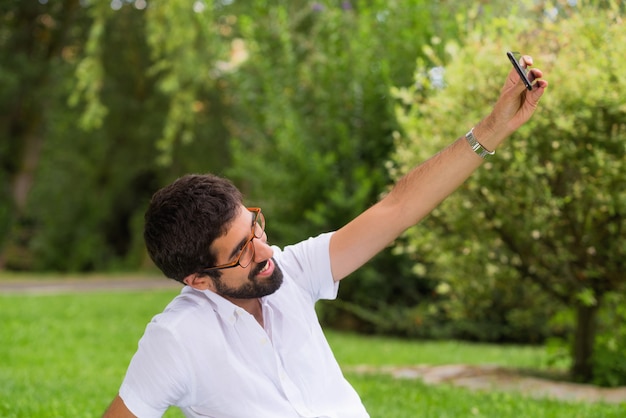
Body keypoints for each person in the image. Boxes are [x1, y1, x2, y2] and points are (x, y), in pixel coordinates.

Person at [103, 55, 548, 417]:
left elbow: (398, 209)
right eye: (240, 251)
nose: (263, 249)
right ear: (198, 279)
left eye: (253, 224)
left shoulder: (292, 270)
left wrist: (493, 127)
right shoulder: (178, 338)